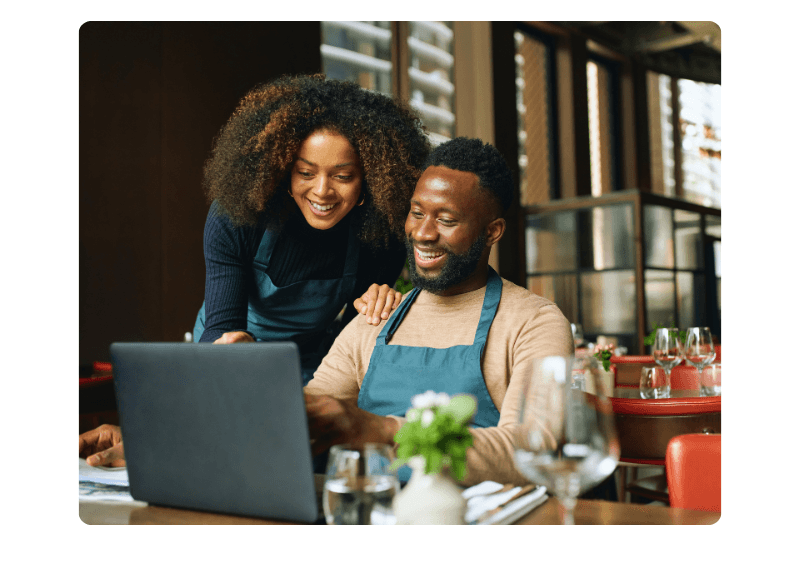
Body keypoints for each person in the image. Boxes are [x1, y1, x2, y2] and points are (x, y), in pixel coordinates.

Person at [80, 138, 573, 486]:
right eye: (417, 213)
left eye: (446, 220)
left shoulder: (532, 321)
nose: (423, 233)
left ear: (493, 231)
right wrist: (155, 439)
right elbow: (292, 421)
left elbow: (531, 449)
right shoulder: (376, 317)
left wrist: (378, 430)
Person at [193, 74, 430, 383]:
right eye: (305, 172)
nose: (321, 191)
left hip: (310, 363)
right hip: (228, 355)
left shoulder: (380, 236)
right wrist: (232, 346)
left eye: (343, 176)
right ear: (283, 170)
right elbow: (220, 327)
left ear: (370, 181)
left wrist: (376, 310)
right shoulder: (237, 217)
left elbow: (350, 345)